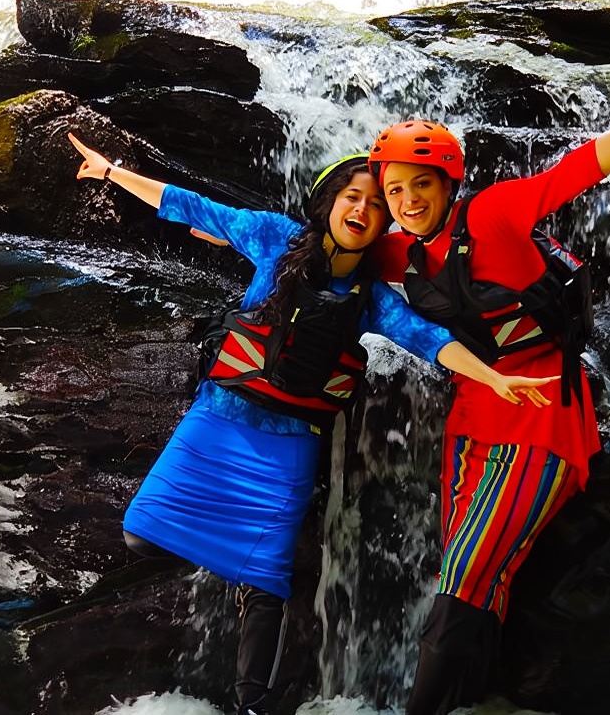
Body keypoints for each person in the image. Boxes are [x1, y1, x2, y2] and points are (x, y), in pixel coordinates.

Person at [67, 133, 557, 715]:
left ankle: (253, 701)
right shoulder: (275, 237)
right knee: (140, 534)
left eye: (377, 205)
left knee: (267, 584)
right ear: (328, 203)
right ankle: (234, 559)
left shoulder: (372, 297)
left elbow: (431, 341)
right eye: (354, 197)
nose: (364, 210)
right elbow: (191, 204)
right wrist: (111, 171)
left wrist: (492, 377)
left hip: (291, 446)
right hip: (218, 424)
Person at [365, 44, 610, 715]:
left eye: (421, 185)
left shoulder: (494, 212)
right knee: (474, 572)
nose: (406, 201)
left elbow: (579, 169)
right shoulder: (399, 251)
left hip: (543, 411)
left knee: (467, 569)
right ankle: (475, 700)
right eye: (394, 190)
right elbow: (312, 243)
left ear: (449, 184)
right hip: (472, 415)